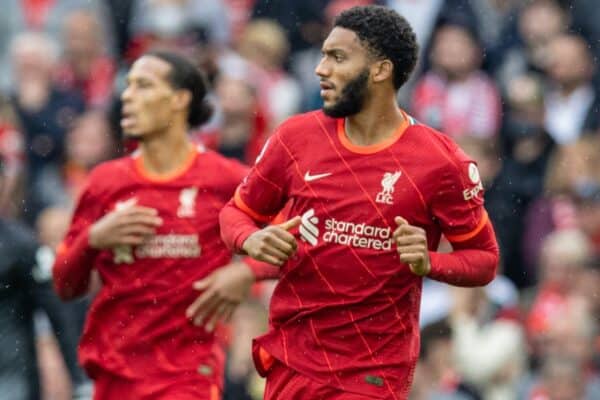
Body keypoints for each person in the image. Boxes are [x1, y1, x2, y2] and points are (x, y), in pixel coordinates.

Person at [219, 5, 499, 399]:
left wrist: (429, 263)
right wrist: (249, 239)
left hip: (372, 374)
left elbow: (484, 259)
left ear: (380, 70)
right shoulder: (296, 137)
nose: (321, 68)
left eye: (337, 57)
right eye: (322, 56)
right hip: (292, 361)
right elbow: (236, 213)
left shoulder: (441, 161)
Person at [52, 50, 277, 400]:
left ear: (179, 99)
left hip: (188, 375)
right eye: (127, 87)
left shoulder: (225, 179)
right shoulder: (105, 182)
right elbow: (64, 284)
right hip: (115, 372)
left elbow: (298, 233)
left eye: (143, 86)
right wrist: (93, 239)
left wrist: (246, 272)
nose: (127, 96)